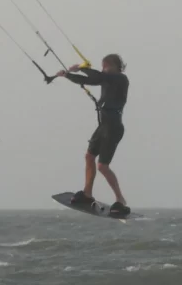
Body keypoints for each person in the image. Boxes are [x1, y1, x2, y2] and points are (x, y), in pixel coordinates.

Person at [56, 54, 130, 217]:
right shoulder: (107, 78)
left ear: (114, 66)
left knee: (102, 166)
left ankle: (121, 200)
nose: (103, 69)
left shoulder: (120, 79)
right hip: (103, 127)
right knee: (89, 156)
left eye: (105, 66)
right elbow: (93, 79)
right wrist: (69, 75)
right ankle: (87, 193)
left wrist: (81, 69)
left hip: (113, 127)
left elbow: (97, 77)